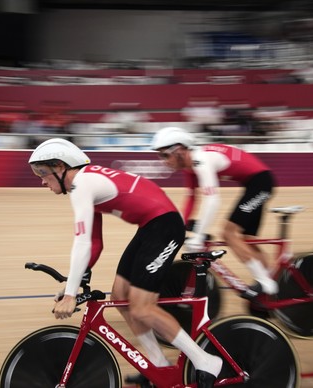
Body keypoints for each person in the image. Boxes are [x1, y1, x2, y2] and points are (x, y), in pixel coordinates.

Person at [28, 138, 222, 387]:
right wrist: (76, 278)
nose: (42, 181)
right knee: (121, 297)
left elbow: (83, 242)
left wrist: (70, 293)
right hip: (150, 227)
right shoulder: (85, 181)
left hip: (164, 226)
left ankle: (206, 361)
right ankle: (158, 365)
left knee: (142, 307)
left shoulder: (81, 184)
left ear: (60, 166)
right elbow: (95, 243)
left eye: (43, 173)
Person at [151, 126, 278, 300]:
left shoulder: (200, 160)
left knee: (229, 233)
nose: (163, 160)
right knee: (247, 240)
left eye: (164, 155)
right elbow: (191, 199)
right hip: (255, 184)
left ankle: (266, 282)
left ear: (179, 150)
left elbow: (212, 200)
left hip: (260, 183)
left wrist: (198, 235)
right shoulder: (190, 166)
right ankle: (273, 281)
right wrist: (178, 226)